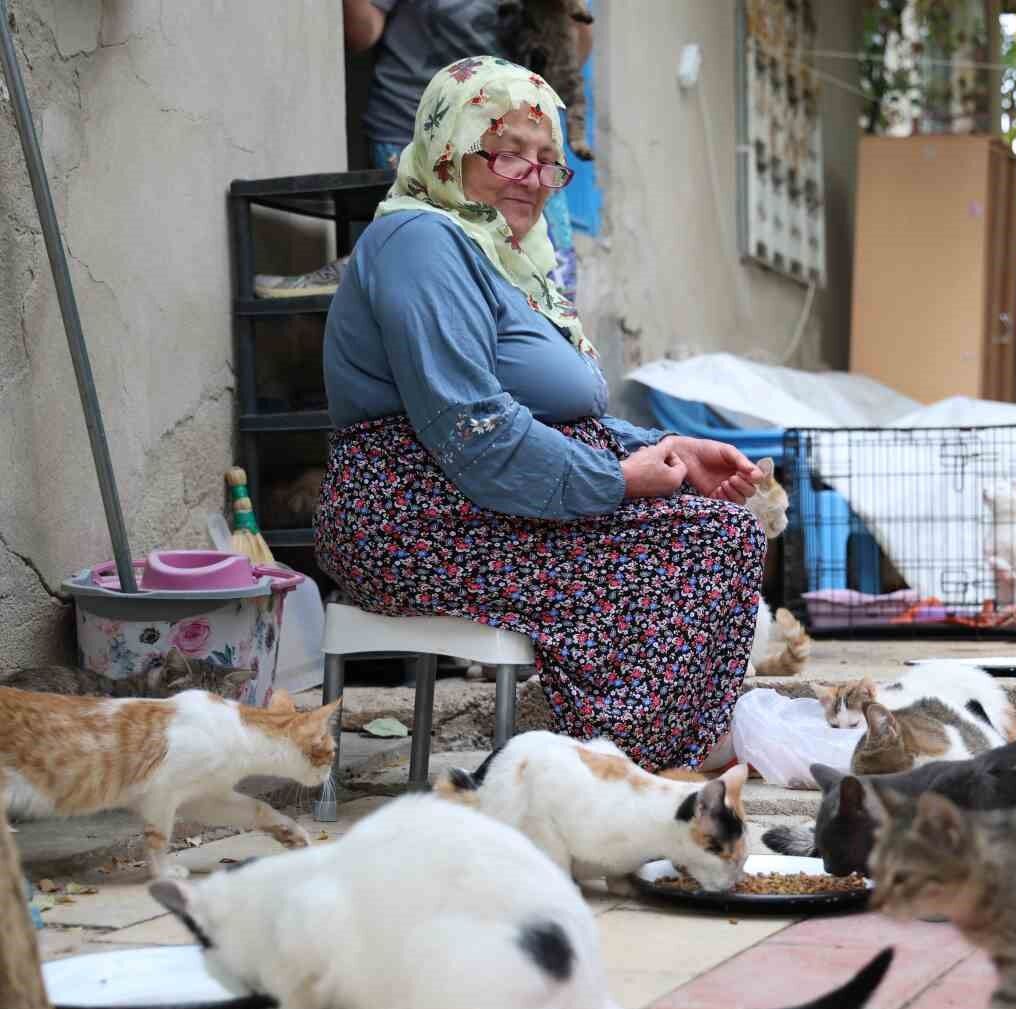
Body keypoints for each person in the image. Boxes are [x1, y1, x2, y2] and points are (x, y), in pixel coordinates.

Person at [315, 58, 766, 773]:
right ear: (448, 148)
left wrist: (668, 448)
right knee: (697, 544)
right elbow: (472, 429)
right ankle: (610, 771)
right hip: (413, 515)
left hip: (480, 501)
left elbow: (556, 415)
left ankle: (641, 755)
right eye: (507, 153)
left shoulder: (503, 259)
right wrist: (618, 481)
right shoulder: (421, 243)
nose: (532, 175)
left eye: (547, 160)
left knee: (714, 534)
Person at [343, 0, 587, 304]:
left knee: (554, 284)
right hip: (422, 130)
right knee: (450, 273)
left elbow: (566, 60)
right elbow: (361, 32)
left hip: (516, 135)